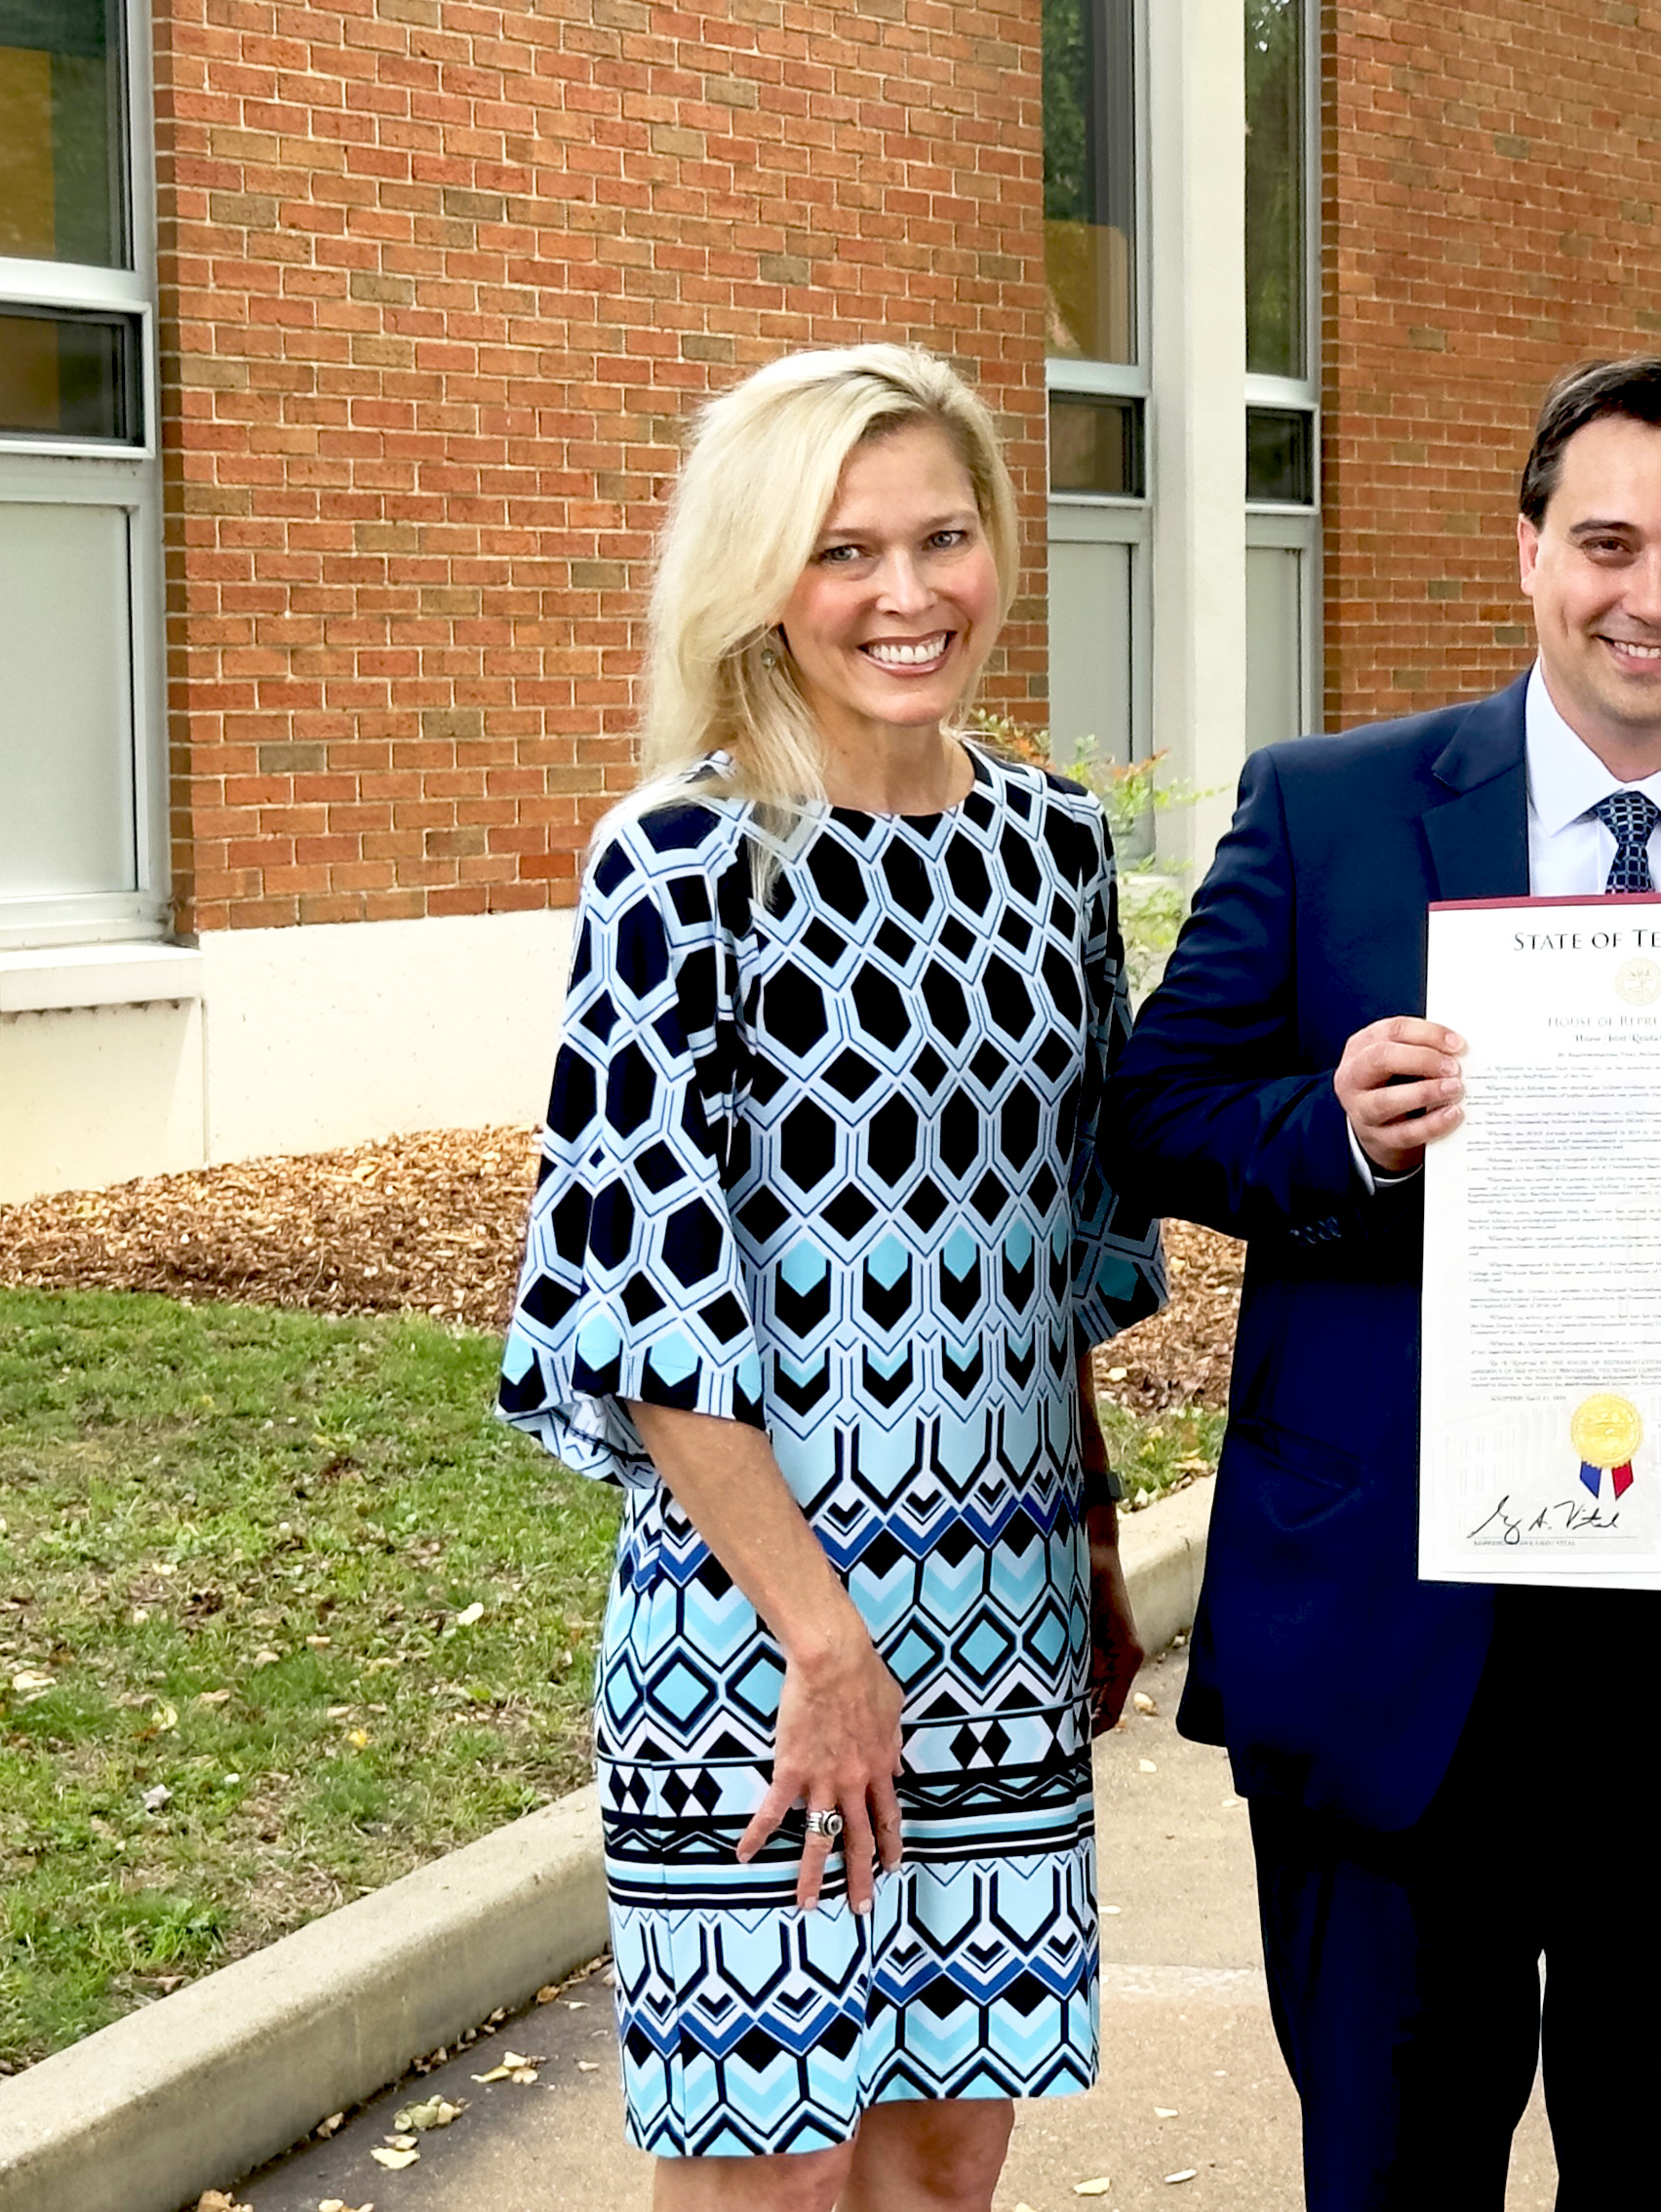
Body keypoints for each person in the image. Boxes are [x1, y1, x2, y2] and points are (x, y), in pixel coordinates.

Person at [1100, 356, 1661, 2211]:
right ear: (1530, 550)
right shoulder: (1328, 812)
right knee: (1393, 2175)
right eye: (1610, 541)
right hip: (1396, 1642)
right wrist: (1330, 1131)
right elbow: (1157, 1110)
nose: (1655, 595)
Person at [494, 342, 1172, 2211]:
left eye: (940, 538)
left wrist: (1097, 1555)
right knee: (766, 2182)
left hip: (1006, 1615)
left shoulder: (1052, 849)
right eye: (840, 550)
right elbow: (645, 1317)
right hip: (765, 1637)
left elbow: (1058, 1256)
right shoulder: (680, 864)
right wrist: (821, 1640)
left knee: (946, 2164)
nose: (902, 595)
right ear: (758, 581)